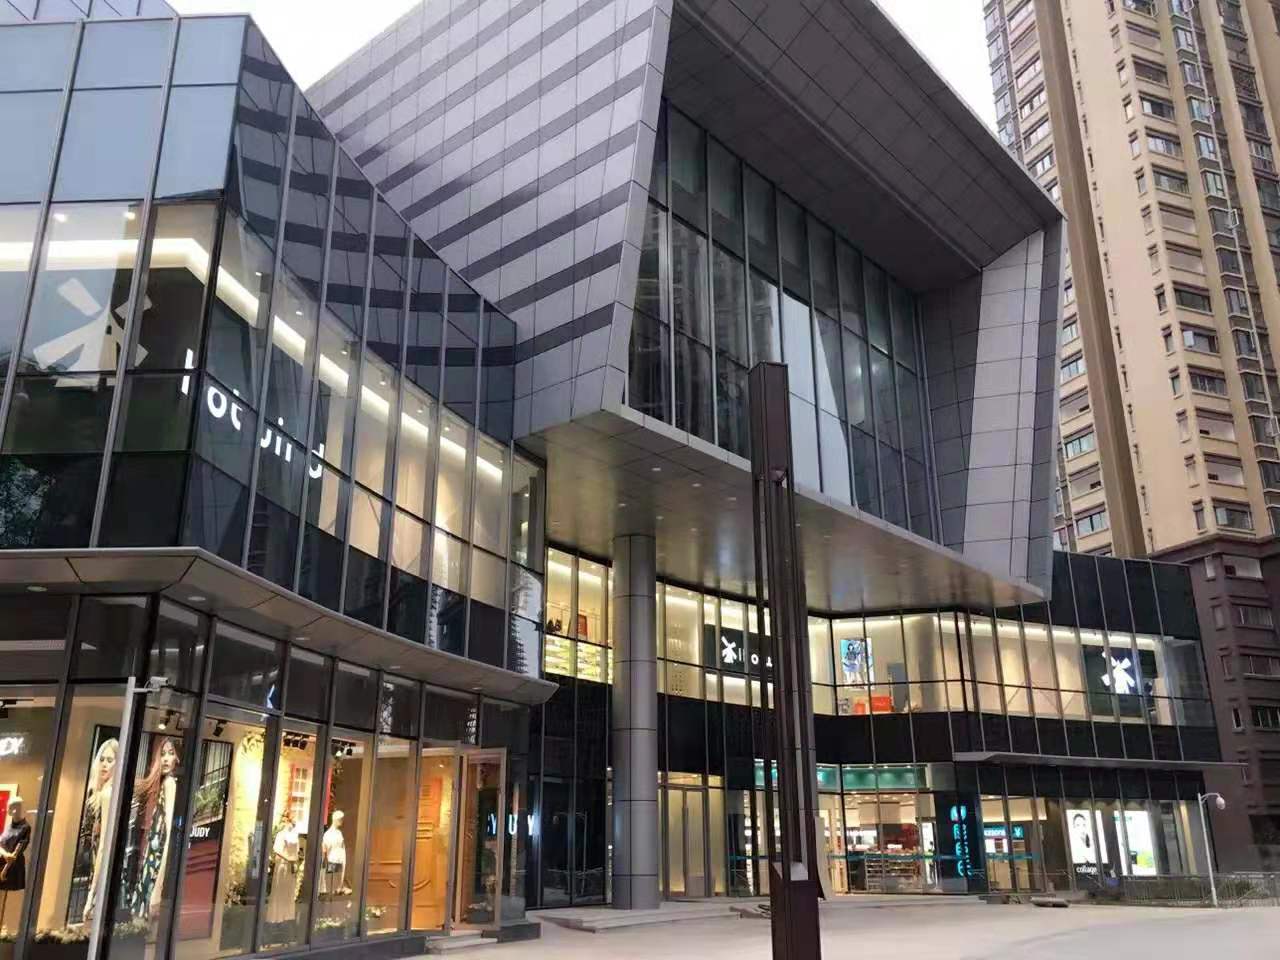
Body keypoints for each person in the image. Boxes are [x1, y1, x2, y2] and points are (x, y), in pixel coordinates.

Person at [127, 737, 179, 919]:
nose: (165, 759)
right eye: (163, 754)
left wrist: (159, 883)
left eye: (170, 754)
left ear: (177, 758)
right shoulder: (164, 784)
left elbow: (170, 833)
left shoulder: (170, 784)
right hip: (152, 860)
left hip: (156, 863)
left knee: (145, 917)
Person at [81, 738, 119, 923]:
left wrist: (92, 893)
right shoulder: (98, 793)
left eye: (110, 760)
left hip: (100, 870)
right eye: (102, 759)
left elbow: (104, 845)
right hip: (93, 866)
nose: (104, 764)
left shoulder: (108, 794)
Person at [264, 811, 301, 925]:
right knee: (279, 890)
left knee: (289, 891)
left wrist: (295, 861)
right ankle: (276, 917)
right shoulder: (281, 834)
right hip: (283, 864)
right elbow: (277, 850)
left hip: (292, 866)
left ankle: (287, 916)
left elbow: (297, 851)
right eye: (293, 819)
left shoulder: (295, 835)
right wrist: (289, 858)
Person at [0, 798, 31, 891]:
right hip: (3, 860)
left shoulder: (25, 827)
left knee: (5, 888)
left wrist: (5, 870)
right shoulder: (9, 826)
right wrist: (5, 854)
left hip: (12, 867)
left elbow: (16, 853)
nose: (7, 810)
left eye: (9, 807)